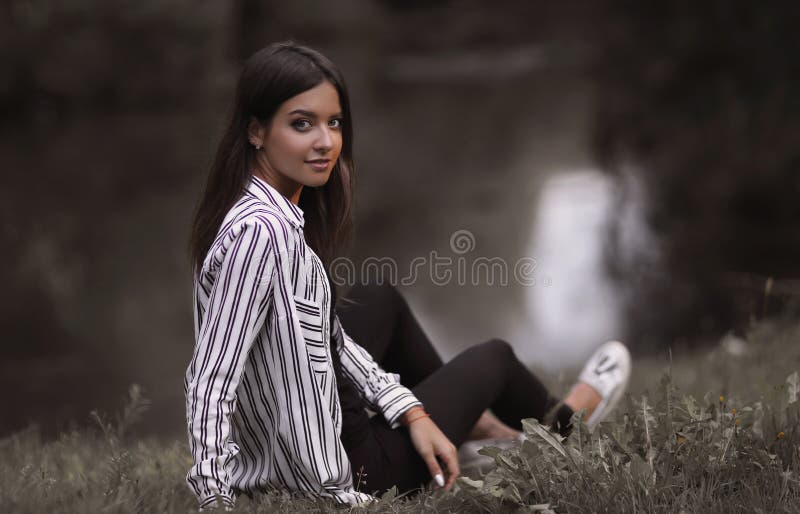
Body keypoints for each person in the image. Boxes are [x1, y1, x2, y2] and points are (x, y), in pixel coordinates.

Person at [185, 41, 631, 510]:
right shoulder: (260, 235)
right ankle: (562, 426)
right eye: (302, 124)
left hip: (313, 424)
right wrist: (216, 499)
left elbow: (324, 340)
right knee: (494, 359)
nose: (326, 142)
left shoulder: (255, 213)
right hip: (353, 468)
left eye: (333, 122)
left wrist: (411, 410)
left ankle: (468, 430)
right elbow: (210, 379)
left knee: (378, 299)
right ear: (256, 132)